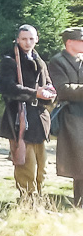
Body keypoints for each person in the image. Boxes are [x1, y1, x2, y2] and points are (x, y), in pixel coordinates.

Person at [0, 25, 55, 195]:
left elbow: (47, 83)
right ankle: (27, 201)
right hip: (19, 118)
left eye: (31, 39)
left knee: (42, 166)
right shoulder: (9, 61)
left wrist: (50, 92)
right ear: (17, 40)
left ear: (36, 39)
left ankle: (40, 198)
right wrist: (35, 93)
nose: (28, 42)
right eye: (24, 39)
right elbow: (7, 88)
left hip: (39, 118)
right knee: (25, 165)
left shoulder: (40, 60)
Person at [49, 27, 83, 205]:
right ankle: (80, 201)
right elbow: (61, 89)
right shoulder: (57, 61)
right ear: (69, 42)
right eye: (81, 40)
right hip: (71, 115)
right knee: (78, 160)